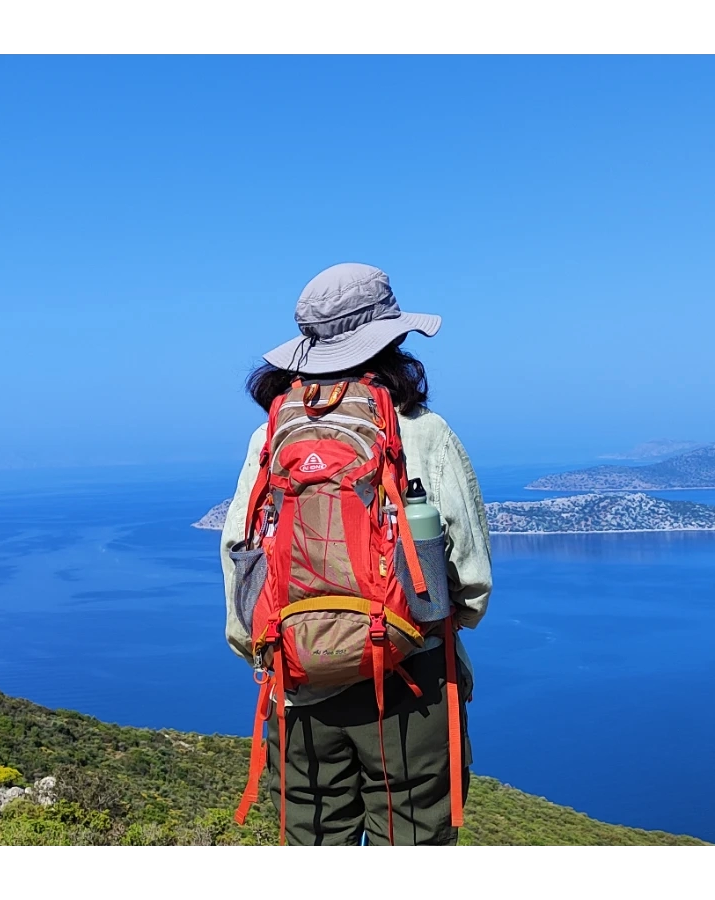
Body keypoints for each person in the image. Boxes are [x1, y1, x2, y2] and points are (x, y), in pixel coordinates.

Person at [220, 262, 493, 847]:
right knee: (413, 835)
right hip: (408, 672)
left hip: (295, 677)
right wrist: (441, 621)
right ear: (392, 339)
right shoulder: (420, 430)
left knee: (314, 834)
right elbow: (470, 578)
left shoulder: (271, 433)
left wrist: (268, 647)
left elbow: (239, 549)